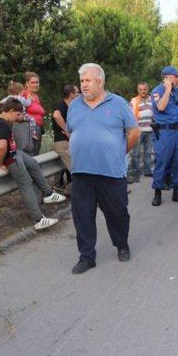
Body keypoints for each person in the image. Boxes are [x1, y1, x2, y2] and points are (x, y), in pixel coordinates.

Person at [67, 63, 140, 274]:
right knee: (83, 216)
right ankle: (87, 256)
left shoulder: (118, 103)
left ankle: (122, 244)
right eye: (81, 81)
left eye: (88, 81)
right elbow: (73, 132)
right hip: (81, 172)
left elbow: (134, 132)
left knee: (117, 212)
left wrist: (119, 151)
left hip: (111, 172)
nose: (83, 85)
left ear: (100, 81)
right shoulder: (75, 105)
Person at [0, 98, 66, 230]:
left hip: (14, 153)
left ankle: (48, 194)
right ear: (10, 111)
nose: (19, 118)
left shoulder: (0, 121)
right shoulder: (2, 124)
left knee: (33, 163)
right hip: (8, 159)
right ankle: (38, 219)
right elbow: (1, 147)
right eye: (18, 114)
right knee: (26, 183)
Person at [150, 66, 178, 206]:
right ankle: (157, 192)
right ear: (168, 77)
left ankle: (176, 192)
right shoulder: (157, 91)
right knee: (162, 161)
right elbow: (161, 107)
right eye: (176, 76)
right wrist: (167, 89)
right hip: (164, 132)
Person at [52, 84, 79, 192]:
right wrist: (67, 131)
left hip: (71, 142)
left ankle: (68, 189)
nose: (79, 94)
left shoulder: (73, 106)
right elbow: (56, 115)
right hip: (62, 142)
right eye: (77, 92)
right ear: (71, 94)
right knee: (76, 168)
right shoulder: (61, 105)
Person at [0, 81, 36, 154]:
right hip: (22, 114)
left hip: (13, 117)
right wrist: (29, 98)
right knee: (32, 119)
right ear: (19, 91)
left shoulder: (8, 97)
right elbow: (28, 103)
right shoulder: (20, 98)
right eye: (22, 91)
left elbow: (1, 102)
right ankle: (33, 133)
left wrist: (1, 105)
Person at [128, 82, 154, 183]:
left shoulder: (152, 100)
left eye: (144, 89)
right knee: (135, 153)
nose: (143, 91)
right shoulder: (134, 101)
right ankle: (135, 173)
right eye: (141, 89)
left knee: (148, 152)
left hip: (149, 130)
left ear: (147, 89)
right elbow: (129, 116)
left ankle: (147, 171)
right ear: (138, 90)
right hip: (138, 130)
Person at [22, 71, 46, 156]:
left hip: (38, 128)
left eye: (37, 82)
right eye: (32, 82)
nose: (35, 84)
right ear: (27, 84)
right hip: (29, 129)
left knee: (36, 154)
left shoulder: (35, 96)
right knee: (31, 154)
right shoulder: (24, 94)